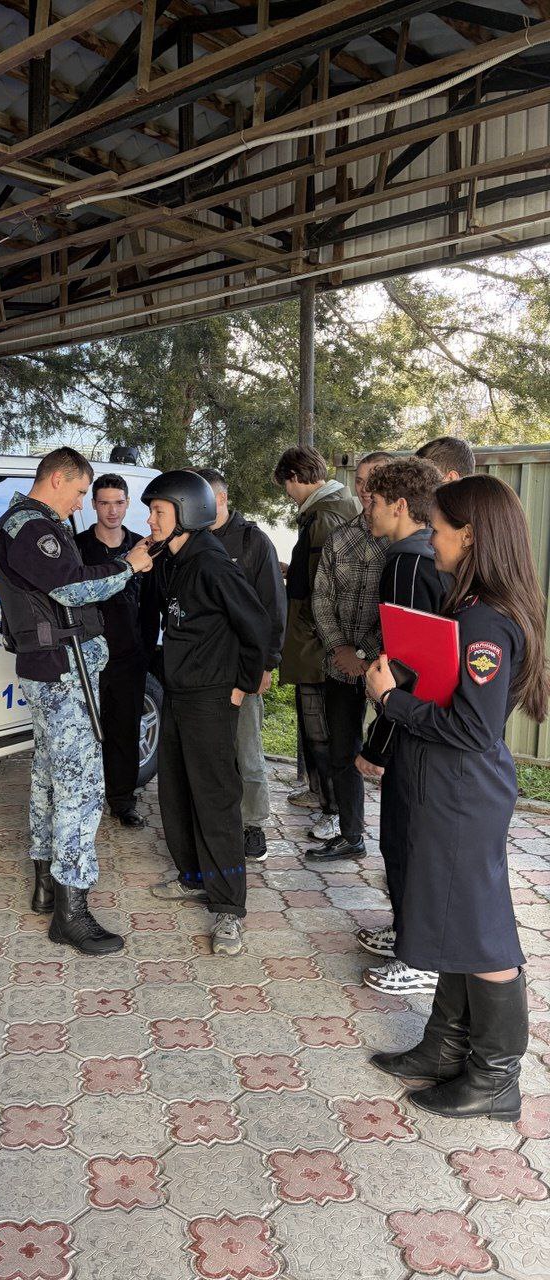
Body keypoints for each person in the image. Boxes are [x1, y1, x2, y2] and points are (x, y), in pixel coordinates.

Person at [366, 475, 548, 1122]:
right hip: (446, 789)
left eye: (438, 528)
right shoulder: (467, 605)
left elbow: (472, 728)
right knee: (456, 923)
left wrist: (391, 700)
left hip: (463, 794)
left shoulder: (484, 625)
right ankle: (445, 1048)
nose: (430, 537)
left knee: (487, 935)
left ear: (469, 535)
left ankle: (495, 1076)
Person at [0, 448, 153, 955]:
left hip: (53, 669)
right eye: (81, 491)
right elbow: (70, 590)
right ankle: (72, 913)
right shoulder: (32, 527)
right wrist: (129, 566)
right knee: (82, 787)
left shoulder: (24, 525)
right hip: (63, 671)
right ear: (58, 479)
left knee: (48, 777)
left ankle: (46, 888)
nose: (83, 503)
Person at [143, 470, 271, 956]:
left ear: (187, 514)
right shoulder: (173, 560)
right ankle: (193, 875)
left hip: (212, 697)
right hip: (179, 692)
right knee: (175, 788)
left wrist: (241, 686)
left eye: (159, 511)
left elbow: (256, 625)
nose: (150, 519)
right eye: (151, 510)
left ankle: (228, 908)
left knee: (216, 799)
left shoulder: (212, 564)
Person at [356, 457, 450, 993]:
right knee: (401, 838)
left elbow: (409, 666)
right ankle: (406, 932)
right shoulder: (412, 557)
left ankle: (419, 954)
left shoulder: (409, 563)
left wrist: (380, 741)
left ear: (398, 505)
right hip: (419, 728)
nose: (366, 505)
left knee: (406, 840)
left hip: (411, 729)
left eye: (374, 498)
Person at [192, 467, 286, 861]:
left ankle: (253, 825)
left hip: (242, 666)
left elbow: (273, 608)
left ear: (223, 499)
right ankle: (213, 822)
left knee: (246, 749)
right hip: (200, 669)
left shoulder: (252, 542)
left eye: (205, 502)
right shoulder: (189, 540)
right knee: (208, 753)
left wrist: (266, 665)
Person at [308, 451, 392, 862]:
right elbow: (321, 598)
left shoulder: (405, 542)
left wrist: (365, 653)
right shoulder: (339, 538)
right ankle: (350, 833)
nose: (364, 487)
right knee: (341, 749)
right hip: (340, 666)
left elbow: (397, 612)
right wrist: (341, 648)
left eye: (373, 479)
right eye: (359, 479)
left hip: (388, 670)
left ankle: (400, 840)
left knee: (392, 752)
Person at [274, 446, 358, 843]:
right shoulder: (330, 508)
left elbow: (325, 590)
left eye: (286, 485)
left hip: (318, 641)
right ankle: (322, 797)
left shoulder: (326, 516)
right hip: (317, 638)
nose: (288, 493)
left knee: (320, 729)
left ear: (295, 477)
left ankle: (333, 811)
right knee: (317, 729)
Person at [76, 474, 148, 829]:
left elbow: (153, 606)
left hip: (128, 659)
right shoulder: (76, 547)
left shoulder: (141, 548)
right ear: (93, 505)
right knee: (86, 732)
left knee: (124, 732)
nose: (112, 510)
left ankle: (122, 801)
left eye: (118, 502)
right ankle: (87, 797)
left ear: (127, 503)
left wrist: (144, 649)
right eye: (104, 503)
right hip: (85, 658)